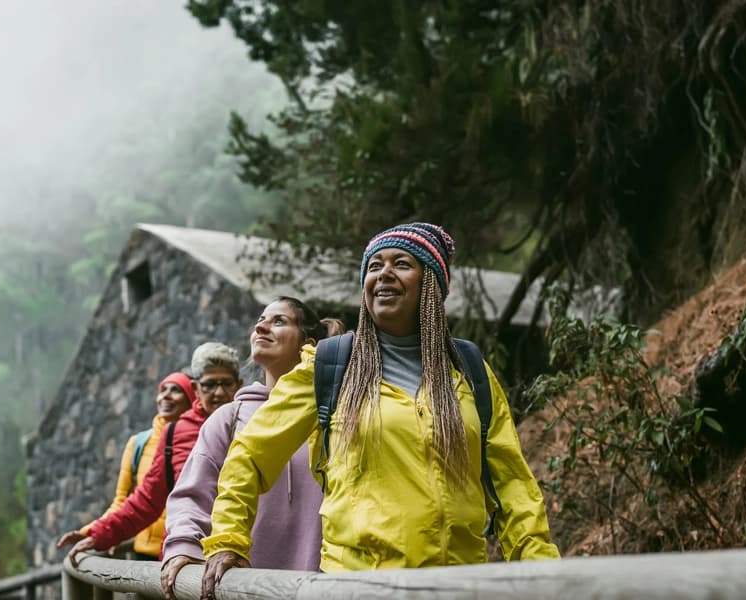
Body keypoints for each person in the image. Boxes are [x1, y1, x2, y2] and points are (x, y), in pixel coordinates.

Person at [201, 223, 560, 598]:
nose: (384, 273)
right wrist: (228, 538)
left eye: (401, 263)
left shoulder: (469, 372)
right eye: (373, 266)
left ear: (432, 283)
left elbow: (512, 485)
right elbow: (250, 455)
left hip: (457, 587)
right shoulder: (330, 366)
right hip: (358, 588)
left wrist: (542, 569)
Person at [160, 298, 344, 599]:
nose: (260, 326)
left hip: (323, 587)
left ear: (308, 344)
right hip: (241, 587)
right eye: (261, 319)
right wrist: (184, 547)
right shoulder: (230, 418)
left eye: (279, 321)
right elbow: (192, 495)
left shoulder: (334, 414)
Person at [60, 342, 243, 565]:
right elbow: (146, 500)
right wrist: (98, 535)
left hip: (241, 552)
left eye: (227, 383)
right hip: (187, 557)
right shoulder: (176, 433)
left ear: (239, 384)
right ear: (195, 389)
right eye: (209, 385)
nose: (219, 393)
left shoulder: (252, 423)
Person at [56, 372, 195, 559]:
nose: (166, 396)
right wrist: (91, 532)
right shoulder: (138, 443)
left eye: (176, 390)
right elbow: (123, 500)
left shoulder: (201, 439)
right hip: (144, 554)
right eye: (163, 390)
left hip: (181, 553)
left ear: (191, 397)